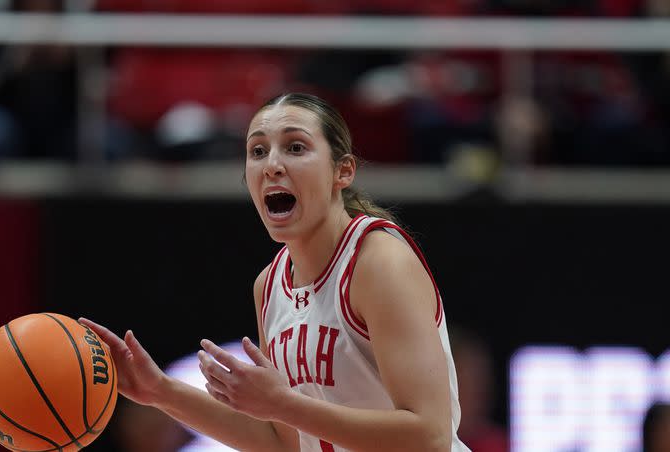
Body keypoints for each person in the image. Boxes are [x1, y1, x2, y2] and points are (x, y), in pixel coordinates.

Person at [81, 92, 469, 451]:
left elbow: (430, 436)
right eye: (258, 151)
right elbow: (285, 444)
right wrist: (161, 392)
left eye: (296, 147)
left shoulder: (378, 262)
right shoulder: (269, 286)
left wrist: (283, 405)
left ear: (343, 171)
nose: (272, 166)